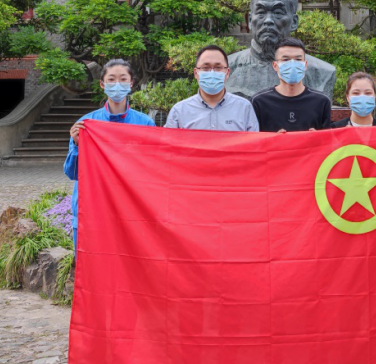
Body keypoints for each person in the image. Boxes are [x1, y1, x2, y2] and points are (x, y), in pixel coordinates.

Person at [64, 59, 155, 246]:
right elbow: (72, 173)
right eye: (111, 79)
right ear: (102, 84)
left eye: (123, 79)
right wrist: (77, 145)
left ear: (131, 83)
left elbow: (153, 171)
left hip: (131, 210)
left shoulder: (145, 124)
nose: (117, 85)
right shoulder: (87, 124)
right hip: (92, 209)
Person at [225, 0, 337, 100]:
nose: (268, 20)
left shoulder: (322, 73)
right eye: (261, 12)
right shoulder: (225, 69)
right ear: (250, 21)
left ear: (294, 22)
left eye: (278, 13)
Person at [165, 45, 259, 132]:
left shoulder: (244, 108)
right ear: (196, 73)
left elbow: (253, 143)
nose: (212, 72)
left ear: (227, 73)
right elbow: (168, 143)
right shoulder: (179, 111)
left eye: (218, 67)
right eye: (206, 68)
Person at [251, 38, 332, 133]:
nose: (292, 64)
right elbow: (253, 138)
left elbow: (328, 139)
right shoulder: (259, 102)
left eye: (298, 59)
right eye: (285, 60)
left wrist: (317, 137)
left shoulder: (321, 102)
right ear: (275, 65)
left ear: (305, 65)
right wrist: (273, 139)